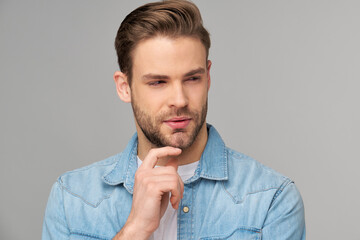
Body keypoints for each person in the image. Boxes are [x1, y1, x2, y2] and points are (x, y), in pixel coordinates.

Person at [42, 1, 306, 239]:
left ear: (208, 77)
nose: (179, 100)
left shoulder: (271, 199)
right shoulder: (72, 199)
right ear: (124, 87)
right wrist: (134, 231)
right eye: (158, 82)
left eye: (192, 78)